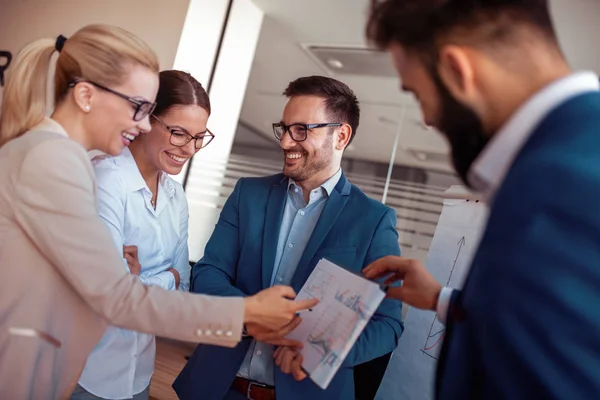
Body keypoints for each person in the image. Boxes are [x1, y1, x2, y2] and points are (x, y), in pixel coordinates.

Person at [0, 25, 316, 400]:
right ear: (85, 95)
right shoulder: (56, 160)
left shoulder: (56, 155)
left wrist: (126, 280)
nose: (143, 124)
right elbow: (116, 297)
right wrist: (243, 313)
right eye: (139, 108)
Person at [362, 0, 600, 398]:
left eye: (418, 94)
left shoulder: (554, 185)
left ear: (458, 71)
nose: (427, 119)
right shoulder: (577, 152)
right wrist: (444, 300)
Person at [173, 76, 404, 400]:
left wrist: (319, 352)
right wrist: (249, 315)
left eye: (301, 130)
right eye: (283, 128)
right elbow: (209, 272)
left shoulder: (373, 220)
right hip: (218, 389)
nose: (285, 142)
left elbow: (388, 325)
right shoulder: (248, 195)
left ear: (341, 135)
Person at [70, 70, 214, 400]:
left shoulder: (176, 197)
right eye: (179, 133)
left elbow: (184, 286)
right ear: (147, 118)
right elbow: (111, 298)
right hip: (86, 369)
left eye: (199, 137)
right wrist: (167, 277)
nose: (189, 148)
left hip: (139, 373)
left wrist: (143, 280)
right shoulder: (106, 180)